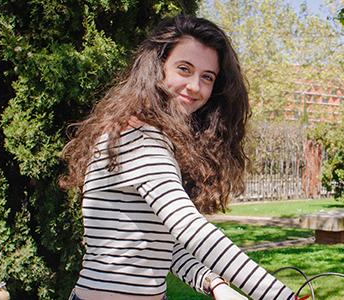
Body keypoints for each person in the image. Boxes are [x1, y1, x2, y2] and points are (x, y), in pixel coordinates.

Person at [60, 15, 295, 300]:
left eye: (207, 77)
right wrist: (280, 295)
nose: (195, 86)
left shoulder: (152, 135)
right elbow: (189, 227)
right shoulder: (137, 136)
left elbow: (161, 245)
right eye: (184, 69)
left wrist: (214, 283)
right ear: (157, 68)